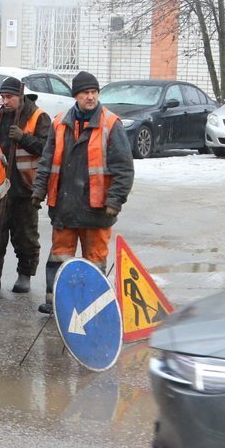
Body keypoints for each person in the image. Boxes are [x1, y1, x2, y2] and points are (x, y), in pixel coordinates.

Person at [31, 71, 134, 314]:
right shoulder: (59, 123)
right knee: (60, 259)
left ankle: (92, 307)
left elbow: (124, 169)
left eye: (94, 92)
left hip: (97, 209)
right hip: (65, 207)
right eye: (85, 93)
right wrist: (38, 190)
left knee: (94, 261)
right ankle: (57, 302)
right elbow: (47, 161)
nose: (90, 97)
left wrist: (115, 201)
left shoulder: (110, 124)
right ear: (75, 96)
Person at [0, 77, 50, 299]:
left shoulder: (38, 117)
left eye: (9, 97)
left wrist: (24, 138)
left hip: (25, 187)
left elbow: (48, 149)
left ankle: (25, 274)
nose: (5, 101)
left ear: (20, 97)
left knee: (25, 234)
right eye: (3, 97)